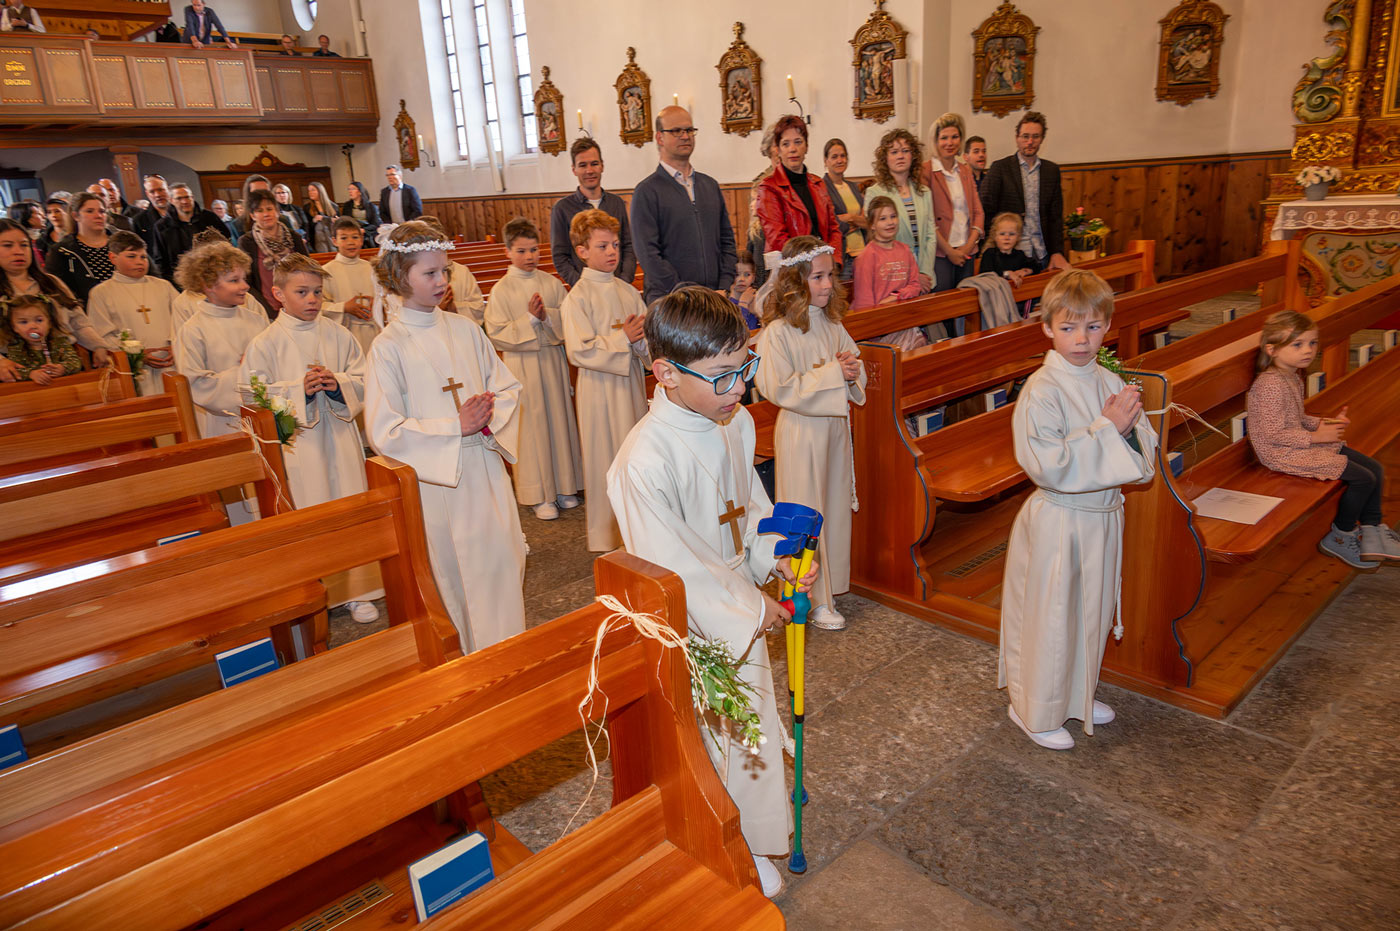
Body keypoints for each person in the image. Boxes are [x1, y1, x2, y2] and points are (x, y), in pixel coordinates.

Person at [607, 286, 818, 900]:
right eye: (724, 375)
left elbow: (748, 510)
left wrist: (776, 558)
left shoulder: (735, 422)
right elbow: (673, 564)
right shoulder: (644, 461)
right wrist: (753, 606)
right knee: (716, 730)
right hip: (690, 618)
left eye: (745, 367)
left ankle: (751, 829)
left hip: (735, 596)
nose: (741, 388)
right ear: (666, 373)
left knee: (744, 723)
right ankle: (730, 837)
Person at [999, 270, 1157, 751]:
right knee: (1052, 618)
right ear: (1048, 327)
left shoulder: (1109, 379)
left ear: (1107, 325)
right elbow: (1049, 464)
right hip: (1062, 517)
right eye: (1068, 328)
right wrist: (1107, 428)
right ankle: (1033, 709)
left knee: (1089, 613)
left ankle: (1074, 696)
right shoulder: (1042, 390)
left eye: (1092, 327)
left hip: (1102, 516)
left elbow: (1143, 449)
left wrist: (1125, 429)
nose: (1082, 340)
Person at [364, 221, 526, 653]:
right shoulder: (389, 346)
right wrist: (454, 426)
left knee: (501, 562)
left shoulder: (465, 329)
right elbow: (384, 430)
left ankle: (512, 654)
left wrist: (488, 417)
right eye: (430, 273)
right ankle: (470, 664)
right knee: (455, 576)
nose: (442, 282)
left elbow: (507, 387)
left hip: (484, 467)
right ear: (400, 276)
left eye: (445, 271)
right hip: (438, 483)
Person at [239, 254, 383, 621]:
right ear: (278, 294)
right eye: (301, 292)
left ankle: (357, 591)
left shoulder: (338, 333)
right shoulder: (265, 342)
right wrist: (296, 390)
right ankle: (315, 589)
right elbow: (250, 395)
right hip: (299, 447)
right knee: (311, 509)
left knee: (348, 507)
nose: (313, 300)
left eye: (318, 292)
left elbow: (365, 377)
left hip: (340, 436)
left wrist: (339, 384)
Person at [755, 236, 867, 631]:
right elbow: (779, 387)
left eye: (830, 276)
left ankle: (830, 588)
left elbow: (854, 366)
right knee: (806, 511)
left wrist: (852, 371)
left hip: (833, 429)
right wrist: (835, 373)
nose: (827, 284)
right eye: (817, 277)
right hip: (801, 432)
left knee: (832, 507)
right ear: (794, 282)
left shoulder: (832, 323)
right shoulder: (777, 333)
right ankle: (808, 597)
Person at [1247, 310, 1399, 567]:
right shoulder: (1270, 384)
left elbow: (1296, 417)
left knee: (1375, 468)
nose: (1308, 350)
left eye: (1312, 342)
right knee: (1363, 478)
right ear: (1272, 349)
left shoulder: (1291, 375)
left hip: (1296, 443)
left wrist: (1324, 424)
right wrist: (1316, 437)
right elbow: (1273, 434)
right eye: (1297, 344)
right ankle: (1341, 535)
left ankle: (1373, 531)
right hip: (1280, 453)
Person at [561, 209, 649, 551]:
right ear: (582, 251)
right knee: (605, 458)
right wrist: (622, 339)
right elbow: (579, 351)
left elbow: (646, 343)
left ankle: (640, 531)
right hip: (598, 391)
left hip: (630, 387)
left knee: (636, 456)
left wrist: (640, 343)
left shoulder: (628, 291)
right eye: (602, 246)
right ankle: (608, 536)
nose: (612, 252)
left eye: (615, 244)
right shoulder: (577, 298)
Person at [485, 217, 583, 521]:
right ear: (507, 251)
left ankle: (565, 487)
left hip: (552, 362)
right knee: (532, 429)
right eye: (521, 251)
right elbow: (496, 332)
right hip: (522, 368)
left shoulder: (551, 283)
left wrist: (546, 317)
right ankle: (540, 494)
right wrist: (529, 319)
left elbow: (569, 321)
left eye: (534, 250)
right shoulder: (501, 290)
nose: (529, 257)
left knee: (559, 422)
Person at [173, 238, 267, 523]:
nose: (245, 286)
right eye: (234, 280)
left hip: (262, 417)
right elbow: (196, 384)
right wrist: (243, 372)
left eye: (244, 278)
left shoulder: (255, 320)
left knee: (268, 484)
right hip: (222, 422)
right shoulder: (193, 330)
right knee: (237, 493)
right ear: (208, 285)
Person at [630, 106, 737, 303]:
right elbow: (648, 254)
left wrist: (723, 286)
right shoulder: (647, 191)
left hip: (715, 297)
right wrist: (686, 294)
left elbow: (727, 241)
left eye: (689, 130)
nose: (685, 136)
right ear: (659, 138)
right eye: (676, 131)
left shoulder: (709, 185)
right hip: (670, 302)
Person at [1, 217, 105, 375]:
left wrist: (98, 346)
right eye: (8, 245)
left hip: (64, 365)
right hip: (15, 371)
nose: (18, 251)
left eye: (24, 245)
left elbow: (79, 323)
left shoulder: (51, 282)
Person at [87, 230, 178, 396]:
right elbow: (103, 334)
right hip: (135, 369)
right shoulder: (101, 293)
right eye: (131, 256)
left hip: (172, 363)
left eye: (143, 257)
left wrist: (175, 346)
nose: (139, 262)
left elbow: (182, 320)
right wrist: (137, 355)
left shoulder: (163, 286)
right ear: (113, 258)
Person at [980, 111, 1068, 273]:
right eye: (1025, 136)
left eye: (1036, 136)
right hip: (1010, 253)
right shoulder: (1000, 168)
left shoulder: (1051, 170)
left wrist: (1057, 251)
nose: (1030, 142)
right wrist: (992, 250)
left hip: (1042, 251)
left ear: (1042, 139)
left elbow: (1055, 217)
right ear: (1017, 138)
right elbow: (985, 210)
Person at [756, 114, 842, 269]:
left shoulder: (818, 184)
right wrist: (810, 265)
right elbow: (778, 239)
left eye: (798, 142)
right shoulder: (768, 188)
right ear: (778, 150)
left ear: (806, 146)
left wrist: (833, 262)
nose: (792, 149)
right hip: (791, 271)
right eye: (786, 144)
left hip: (823, 268)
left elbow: (833, 229)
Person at [549, 138, 636, 286]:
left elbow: (628, 246)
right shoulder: (562, 208)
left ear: (602, 166)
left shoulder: (616, 203)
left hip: (617, 284)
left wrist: (624, 282)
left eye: (594, 164)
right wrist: (583, 286)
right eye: (583, 165)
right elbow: (560, 256)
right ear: (574, 169)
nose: (589, 170)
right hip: (585, 289)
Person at [850, 197, 930, 350]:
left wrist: (896, 297)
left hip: (904, 319)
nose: (890, 222)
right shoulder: (866, 257)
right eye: (883, 219)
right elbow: (864, 305)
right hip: (879, 329)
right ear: (872, 225)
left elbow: (915, 285)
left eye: (893, 216)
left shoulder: (904, 250)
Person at [864, 128, 936, 293]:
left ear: (913, 156)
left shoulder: (924, 192)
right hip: (893, 273)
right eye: (894, 152)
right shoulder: (875, 193)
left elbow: (931, 235)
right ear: (885, 158)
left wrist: (924, 271)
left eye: (905, 151)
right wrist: (913, 274)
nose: (900, 156)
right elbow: (878, 240)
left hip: (925, 272)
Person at [922, 113, 985, 300]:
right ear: (935, 141)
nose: (950, 143)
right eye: (944, 138)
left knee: (965, 303)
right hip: (940, 252)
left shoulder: (965, 170)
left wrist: (968, 246)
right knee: (942, 305)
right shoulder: (925, 171)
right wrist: (949, 251)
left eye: (955, 137)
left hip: (967, 250)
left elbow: (978, 212)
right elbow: (927, 218)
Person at [239, 189, 309, 318]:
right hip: (266, 309)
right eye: (260, 210)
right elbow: (247, 281)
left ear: (277, 211)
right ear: (252, 215)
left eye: (269, 209)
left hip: (298, 304)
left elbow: (308, 270)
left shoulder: (294, 237)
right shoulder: (247, 242)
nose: (266, 214)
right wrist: (266, 309)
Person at [319, 217, 380, 356]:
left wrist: (378, 304)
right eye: (344, 238)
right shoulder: (326, 272)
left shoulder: (372, 268)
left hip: (373, 332)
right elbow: (319, 306)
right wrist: (344, 307)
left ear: (362, 239)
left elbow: (385, 298)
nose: (350, 242)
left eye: (355, 237)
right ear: (334, 241)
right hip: (344, 335)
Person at [45, 191, 115, 304]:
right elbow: (56, 289)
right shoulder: (62, 251)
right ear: (76, 216)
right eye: (90, 211)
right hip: (87, 310)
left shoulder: (121, 243)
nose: (98, 216)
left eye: (102, 211)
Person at [153, 183, 224, 282]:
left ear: (192, 197)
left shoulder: (210, 218)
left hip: (214, 276)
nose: (185, 201)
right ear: (171, 200)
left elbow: (226, 244)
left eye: (187, 197)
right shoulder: (162, 226)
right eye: (179, 198)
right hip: (181, 280)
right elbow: (161, 259)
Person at [5, 294, 80, 384]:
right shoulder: (16, 348)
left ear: (49, 323)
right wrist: (31, 374)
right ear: (14, 327)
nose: (33, 326)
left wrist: (63, 368)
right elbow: (15, 371)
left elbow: (75, 362)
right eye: (24, 322)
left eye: (39, 320)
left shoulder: (60, 342)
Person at [822, 138, 867, 281]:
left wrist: (850, 218)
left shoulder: (854, 187)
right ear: (826, 161)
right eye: (834, 157)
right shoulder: (821, 188)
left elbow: (868, 221)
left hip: (863, 253)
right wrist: (855, 222)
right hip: (842, 256)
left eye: (843, 156)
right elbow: (827, 223)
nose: (839, 160)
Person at [981, 212, 1037, 288]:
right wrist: (1007, 274)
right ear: (995, 236)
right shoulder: (989, 254)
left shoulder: (1019, 254)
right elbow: (986, 275)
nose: (1007, 238)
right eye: (1002, 234)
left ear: (1018, 237)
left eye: (1011, 234)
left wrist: (1025, 271)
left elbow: (1036, 266)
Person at [302, 182, 338, 252]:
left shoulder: (334, 206)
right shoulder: (307, 207)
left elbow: (338, 224)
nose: (310, 193)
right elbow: (307, 227)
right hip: (317, 241)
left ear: (320, 191)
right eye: (309, 191)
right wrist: (314, 221)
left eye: (313, 190)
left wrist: (331, 219)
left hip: (332, 239)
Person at [729, 255, 759, 329]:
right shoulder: (724, 303)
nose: (741, 279)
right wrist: (743, 303)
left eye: (747, 274)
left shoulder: (758, 300)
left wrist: (759, 314)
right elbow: (736, 331)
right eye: (736, 275)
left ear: (753, 278)